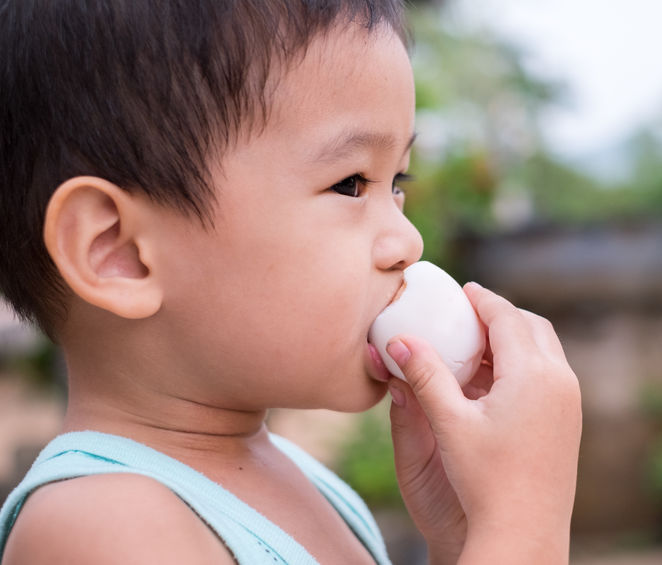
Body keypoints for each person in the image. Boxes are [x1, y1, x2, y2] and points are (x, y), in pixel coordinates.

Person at [0, 1, 582, 563]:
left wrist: (466, 538)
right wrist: (524, 526)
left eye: (396, 180)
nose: (409, 241)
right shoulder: (102, 526)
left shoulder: (305, 481)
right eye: (352, 183)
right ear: (119, 252)